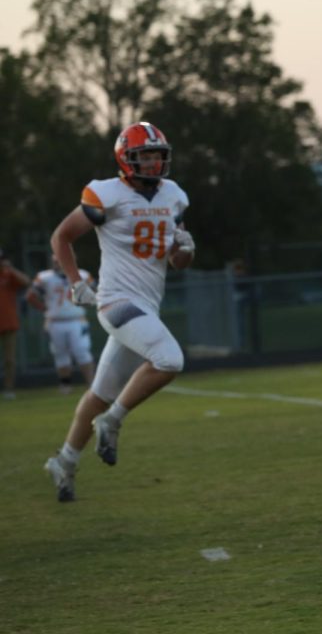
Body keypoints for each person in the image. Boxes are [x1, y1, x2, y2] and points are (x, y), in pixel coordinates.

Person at [42, 122, 194, 502]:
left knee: (99, 393)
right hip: (116, 301)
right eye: (144, 156)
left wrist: (186, 249)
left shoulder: (173, 196)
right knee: (169, 359)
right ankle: (111, 423)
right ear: (126, 158)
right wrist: (77, 281)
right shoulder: (105, 194)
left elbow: (178, 262)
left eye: (158, 156)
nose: (153, 163)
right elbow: (61, 236)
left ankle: (65, 461)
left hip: (147, 305)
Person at [26, 258, 96, 393]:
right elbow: (30, 295)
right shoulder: (45, 277)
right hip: (55, 321)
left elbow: (96, 289)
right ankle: (65, 385)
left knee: (82, 351)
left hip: (76, 319)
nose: (57, 263)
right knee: (60, 354)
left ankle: (92, 384)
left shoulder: (82, 274)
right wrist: (43, 308)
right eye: (55, 261)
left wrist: (88, 301)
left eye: (60, 260)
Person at [0, 249, 33, 400]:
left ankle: (8, 388)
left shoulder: (8, 275)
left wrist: (11, 268)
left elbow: (26, 281)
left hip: (9, 322)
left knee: (9, 359)